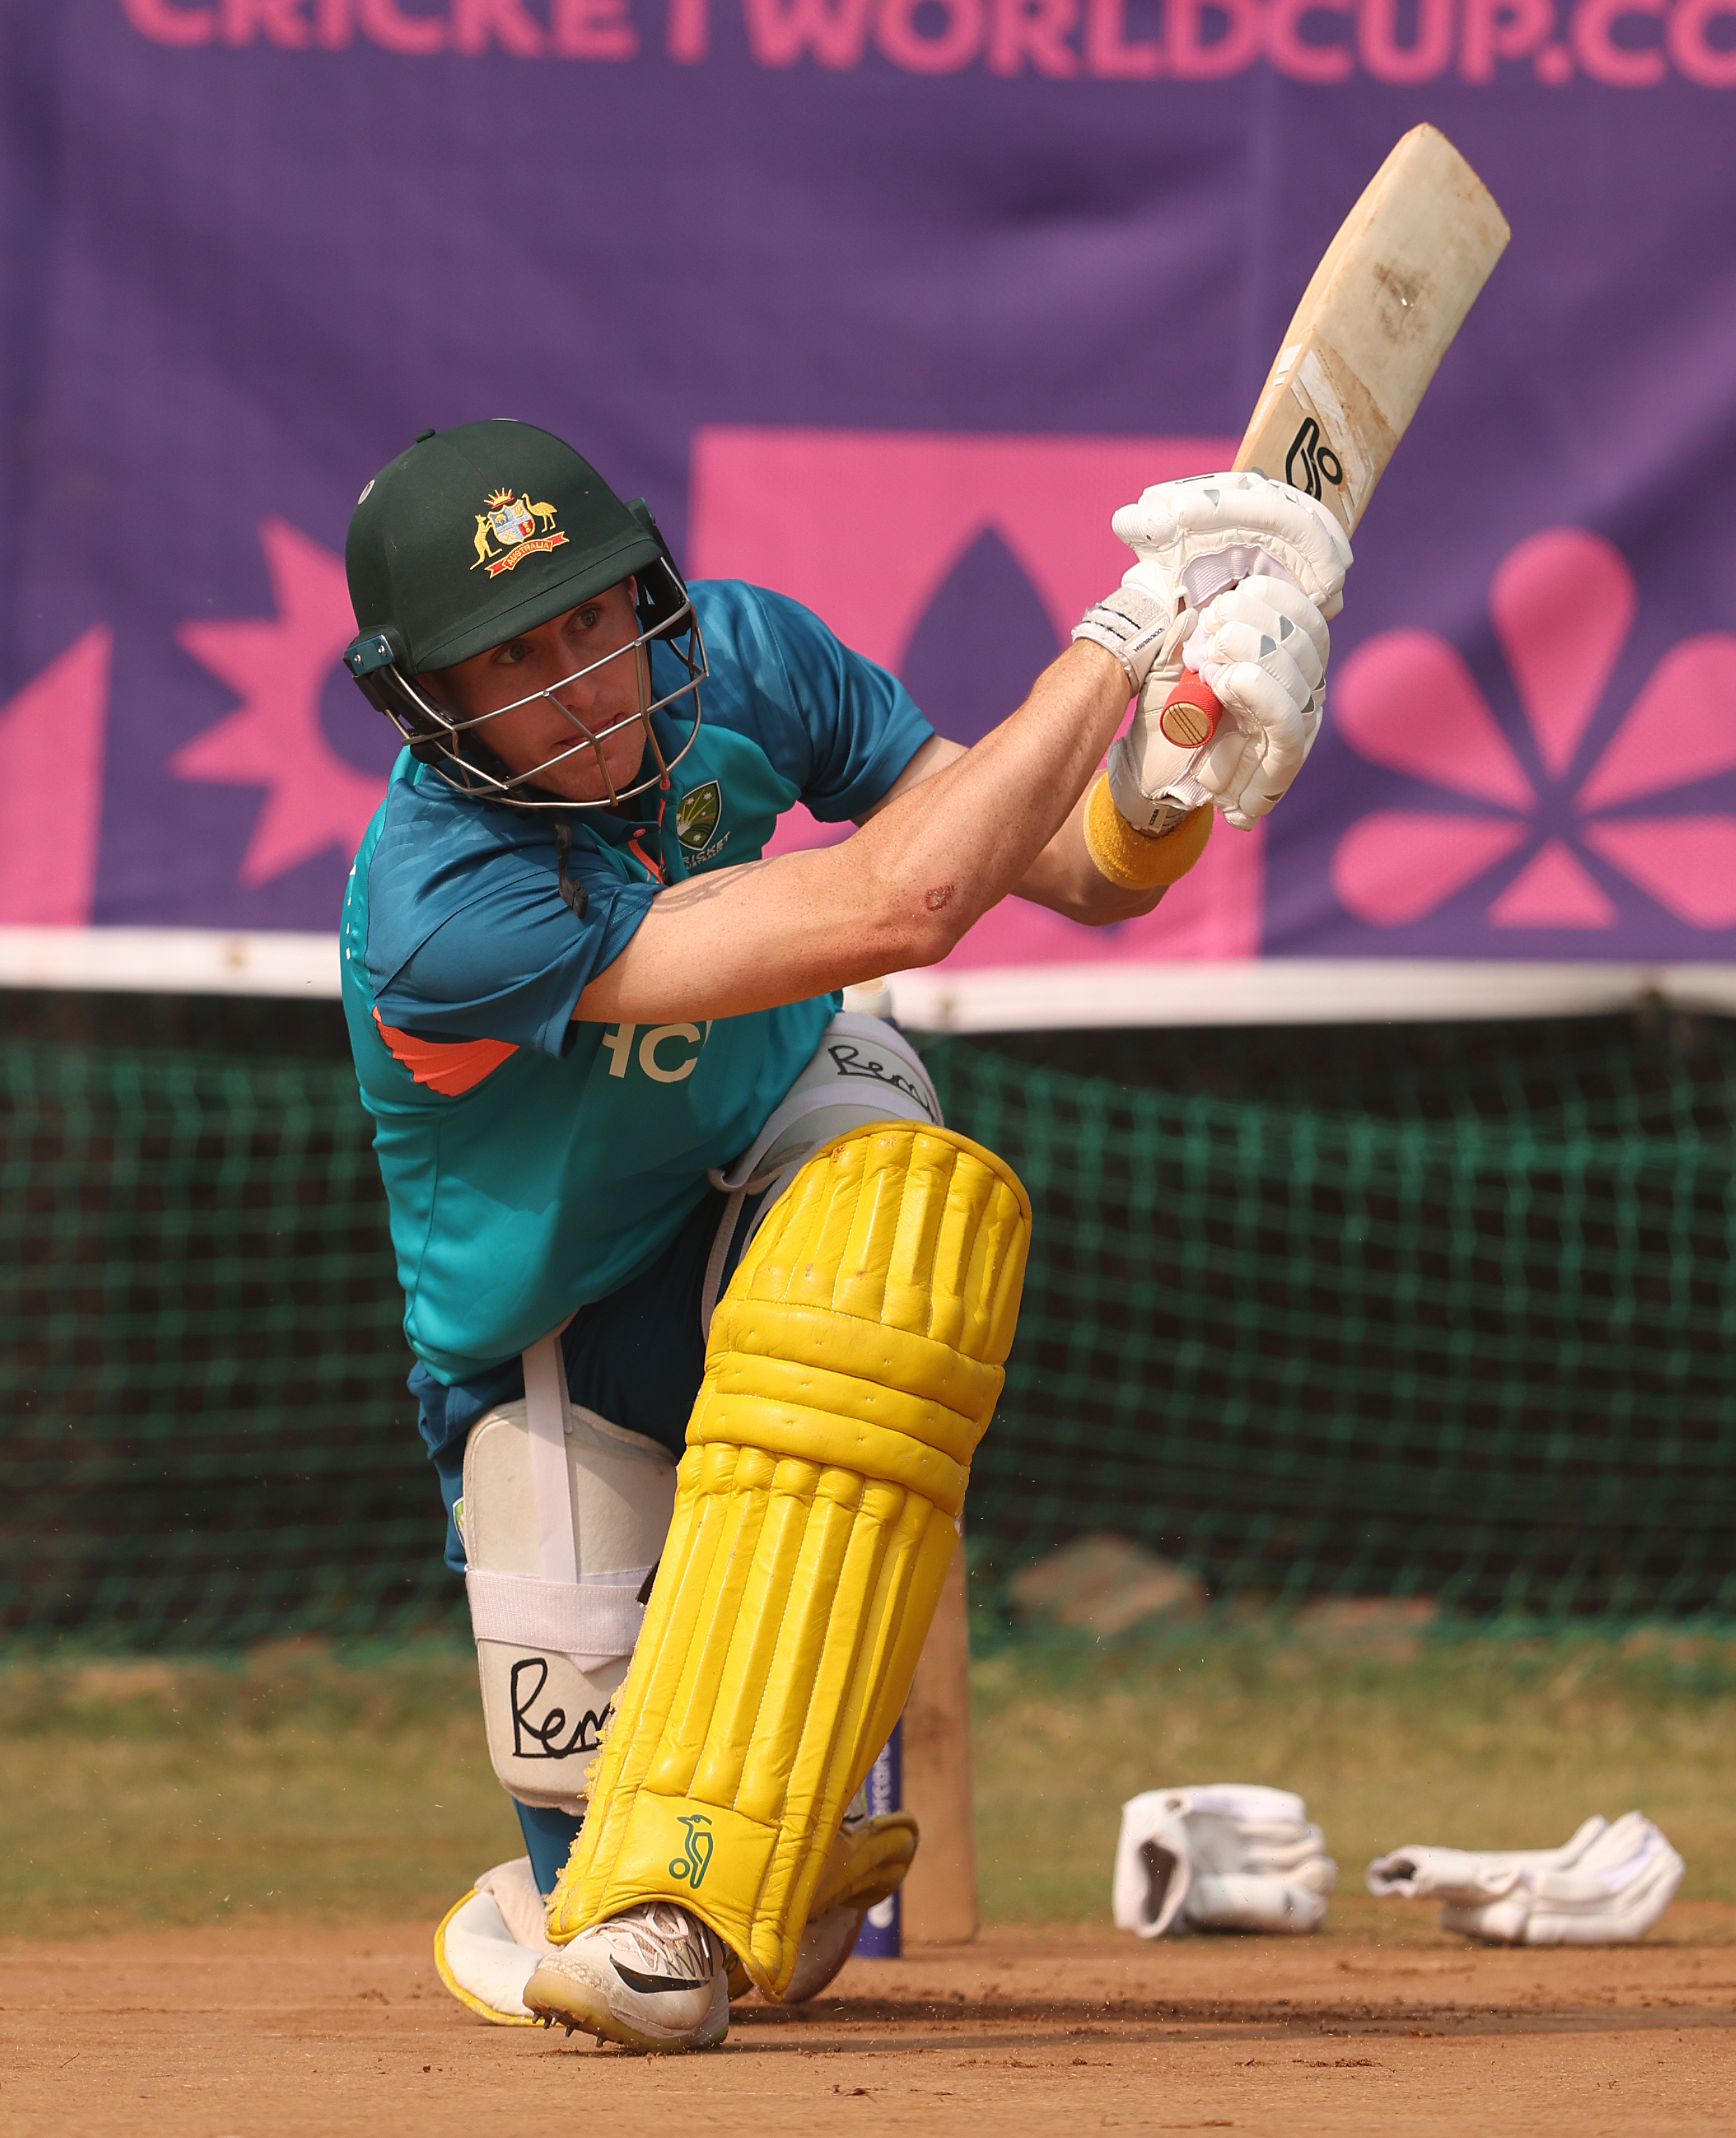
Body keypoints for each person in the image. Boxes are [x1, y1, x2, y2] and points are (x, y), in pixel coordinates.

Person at [338, 418, 1347, 2051]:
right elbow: (901, 903)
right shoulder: (447, 899)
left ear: (647, 594)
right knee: (627, 1927)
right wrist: (1125, 630)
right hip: (551, 1325)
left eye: (593, 618)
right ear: (427, 702)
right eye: (511, 657)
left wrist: (1171, 756)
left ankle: (759, 1835)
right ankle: (649, 1882)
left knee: (898, 1223)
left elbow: (1075, 870)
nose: (577, 682)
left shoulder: (742, 657)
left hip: (774, 1155)